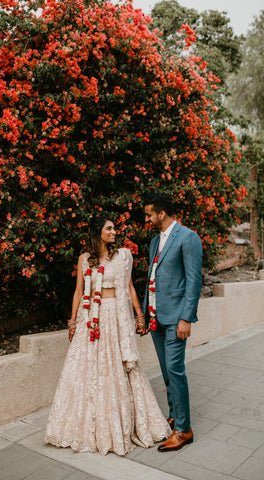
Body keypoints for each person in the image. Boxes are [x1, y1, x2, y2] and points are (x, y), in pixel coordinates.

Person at [45, 216, 171, 456]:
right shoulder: (84, 259)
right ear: (97, 233)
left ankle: (119, 424)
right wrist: (72, 322)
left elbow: (130, 287)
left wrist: (140, 316)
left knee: (116, 367)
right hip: (90, 316)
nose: (115, 232)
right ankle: (87, 427)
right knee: (87, 369)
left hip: (114, 316)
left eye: (114, 228)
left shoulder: (123, 255)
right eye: (109, 228)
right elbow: (79, 291)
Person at [141, 193, 202, 452]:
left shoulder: (188, 237)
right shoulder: (155, 241)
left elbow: (193, 280)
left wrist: (186, 318)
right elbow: (152, 278)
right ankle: (174, 416)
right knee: (167, 372)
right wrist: (145, 315)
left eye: (149, 214)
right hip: (156, 317)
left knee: (175, 370)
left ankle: (184, 429)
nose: (146, 219)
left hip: (176, 318)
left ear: (162, 213)